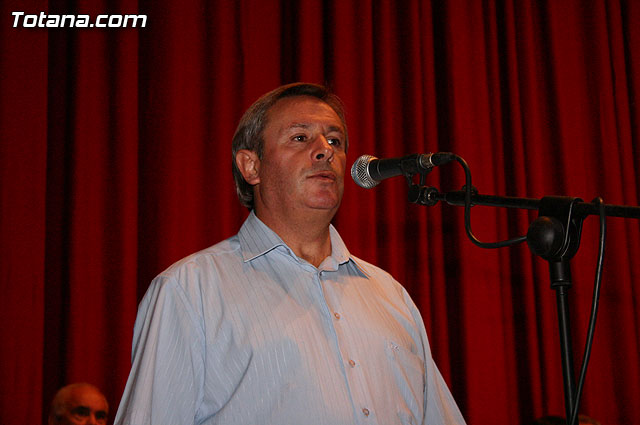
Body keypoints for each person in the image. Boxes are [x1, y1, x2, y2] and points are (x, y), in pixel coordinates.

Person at [114, 82, 466, 424]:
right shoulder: (189, 291)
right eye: (300, 138)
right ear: (251, 166)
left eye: (335, 140)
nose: (325, 150)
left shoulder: (390, 295)